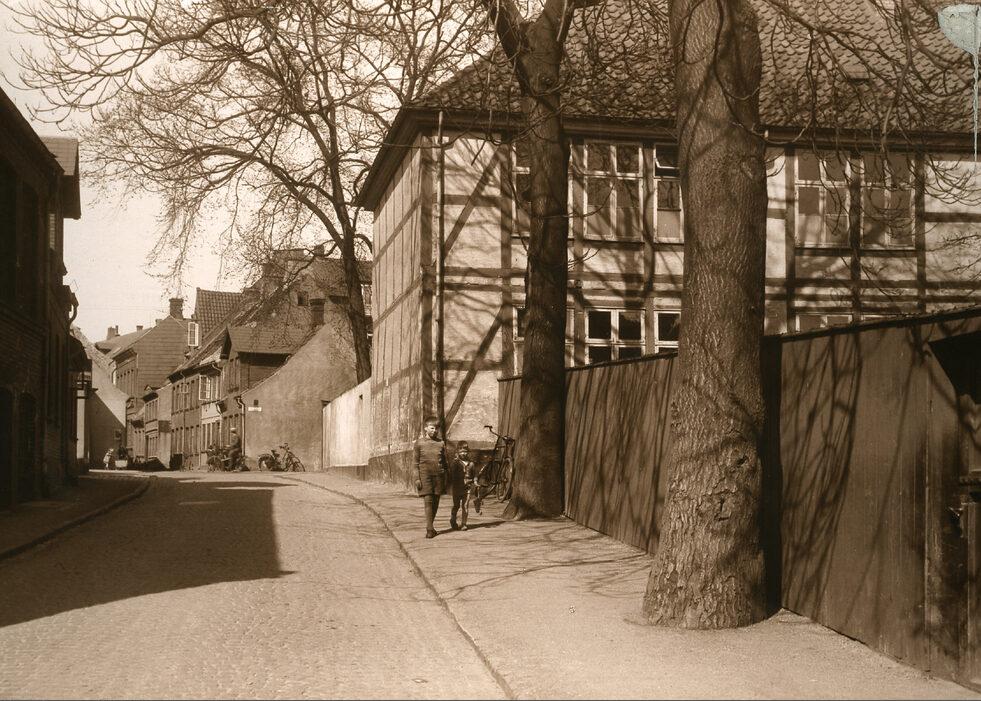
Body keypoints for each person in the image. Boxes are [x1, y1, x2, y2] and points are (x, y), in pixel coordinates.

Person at [414, 416, 446, 539]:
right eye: (432, 428)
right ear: (425, 428)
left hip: (438, 476)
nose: (435, 430)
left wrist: (446, 476)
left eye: (437, 428)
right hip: (425, 475)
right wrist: (417, 478)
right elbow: (415, 463)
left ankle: (430, 526)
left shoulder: (441, 443)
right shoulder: (419, 443)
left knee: (436, 501)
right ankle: (429, 529)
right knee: (428, 500)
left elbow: (444, 461)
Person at [448, 441, 475, 531]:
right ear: (458, 452)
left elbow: (474, 475)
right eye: (461, 451)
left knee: (465, 505)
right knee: (456, 506)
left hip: (467, 488)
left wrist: (475, 481)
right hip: (457, 488)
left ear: (468, 452)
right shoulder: (455, 463)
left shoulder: (471, 464)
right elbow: (452, 475)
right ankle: (453, 519)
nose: (463, 453)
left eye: (465, 451)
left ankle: (464, 524)